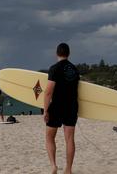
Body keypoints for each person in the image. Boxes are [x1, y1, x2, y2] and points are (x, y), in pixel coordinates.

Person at [44, 43, 79, 174]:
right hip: (71, 106)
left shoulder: (54, 68)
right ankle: (68, 170)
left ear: (57, 53)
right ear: (68, 54)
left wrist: (46, 110)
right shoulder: (75, 69)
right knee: (69, 139)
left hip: (57, 106)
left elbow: (48, 92)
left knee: (49, 137)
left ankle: (53, 166)